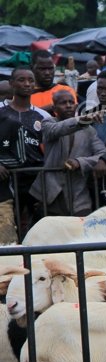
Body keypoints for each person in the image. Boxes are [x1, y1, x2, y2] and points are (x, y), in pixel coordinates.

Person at [29, 90, 106, 216]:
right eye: (63, 103)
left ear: (76, 106)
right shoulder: (48, 123)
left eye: (71, 102)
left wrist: (80, 162)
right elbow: (58, 129)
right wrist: (81, 120)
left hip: (79, 195)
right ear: (54, 108)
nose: (68, 105)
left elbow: (102, 153)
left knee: (80, 232)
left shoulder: (89, 130)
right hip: (51, 194)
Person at [0, 68, 50, 241]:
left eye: (30, 80)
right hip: (6, 180)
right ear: (12, 84)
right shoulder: (1, 111)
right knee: (7, 226)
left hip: (35, 178)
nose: (27, 84)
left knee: (38, 226)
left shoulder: (43, 116)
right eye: (21, 80)